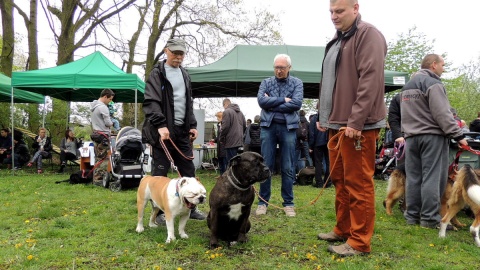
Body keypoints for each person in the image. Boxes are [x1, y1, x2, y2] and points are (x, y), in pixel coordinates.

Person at [315, 0, 387, 256]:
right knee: (340, 181)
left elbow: (371, 79)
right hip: (338, 124)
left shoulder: (368, 35)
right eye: (331, 12)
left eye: (339, 11)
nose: (334, 16)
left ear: (355, 8)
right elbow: (330, 82)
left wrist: (356, 121)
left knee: (358, 184)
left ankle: (359, 241)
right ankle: (343, 228)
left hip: (358, 126)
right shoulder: (337, 40)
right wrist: (324, 116)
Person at [401, 53, 468, 229]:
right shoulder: (434, 84)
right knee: (433, 177)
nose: (443, 69)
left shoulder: (406, 87)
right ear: (433, 65)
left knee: (414, 178)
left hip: (411, 138)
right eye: (443, 65)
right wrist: (458, 135)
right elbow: (442, 113)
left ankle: (411, 216)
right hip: (432, 137)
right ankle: (429, 219)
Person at [142, 38, 205, 221]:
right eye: (174, 53)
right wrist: (160, 125)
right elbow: (151, 102)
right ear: (166, 51)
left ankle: (190, 208)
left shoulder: (185, 74)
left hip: (182, 132)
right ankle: (159, 213)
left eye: (181, 54)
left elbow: (188, 103)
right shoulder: (157, 74)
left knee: (188, 171)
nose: (178, 57)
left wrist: (192, 125)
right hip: (162, 132)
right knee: (160, 175)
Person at [255, 53, 303, 217]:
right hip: (268, 127)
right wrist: (284, 100)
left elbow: (296, 104)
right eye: (276, 67)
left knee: (288, 166)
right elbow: (261, 102)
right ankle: (263, 202)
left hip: (288, 128)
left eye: (282, 67)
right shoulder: (266, 82)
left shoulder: (297, 83)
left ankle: (288, 203)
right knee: (265, 165)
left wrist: (272, 103)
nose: (279, 70)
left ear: (289, 67)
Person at [90, 88, 115, 185]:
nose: (110, 101)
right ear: (105, 96)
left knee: (98, 157)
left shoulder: (94, 106)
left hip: (96, 133)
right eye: (110, 99)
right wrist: (113, 122)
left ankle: (96, 178)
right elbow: (108, 123)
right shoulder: (103, 107)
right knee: (104, 159)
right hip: (103, 135)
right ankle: (100, 180)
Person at [309, 105, 330, 188]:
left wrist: (311, 146)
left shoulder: (314, 118)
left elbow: (311, 133)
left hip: (318, 143)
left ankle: (319, 182)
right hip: (329, 142)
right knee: (329, 163)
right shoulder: (330, 117)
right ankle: (328, 182)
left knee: (318, 163)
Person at [219, 98, 246, 163]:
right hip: (239, 140)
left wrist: (221, 138)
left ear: (225, 104)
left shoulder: (227, 112)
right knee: (239, 162)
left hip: (231, 141)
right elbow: (244, 125)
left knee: (231, 162)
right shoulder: (240, 113)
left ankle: (231, 173)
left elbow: (225, 127)